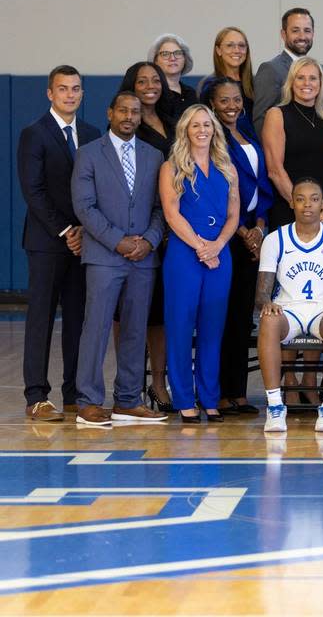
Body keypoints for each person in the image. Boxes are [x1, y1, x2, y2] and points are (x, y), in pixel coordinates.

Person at [71, 92, 167, 426]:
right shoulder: (88, 155)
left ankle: (127, 400)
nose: (129, 116)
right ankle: (88, 401)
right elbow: (84, 207)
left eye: (135, 112)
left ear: (142, 117)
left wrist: (150, 241)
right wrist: (118, 242)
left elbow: (160, 208)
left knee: (135, 330)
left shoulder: (154, 156)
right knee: (95, 328)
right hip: (104, 256)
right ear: (110, 112)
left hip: (143, 258)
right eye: (123, 110)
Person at [18, 66, 100, 421]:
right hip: (48, 242)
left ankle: (74, 394)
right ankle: (36, 396)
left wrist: (85, 231)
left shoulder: (93, 133)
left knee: (78, 320)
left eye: (76, 89)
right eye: (63, 89)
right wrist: (67, 230)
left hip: (85, 242)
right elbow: (33, 191)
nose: (70, 94)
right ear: (50, 93)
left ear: (82, 93)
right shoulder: (33, 134)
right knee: (41, 318)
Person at [159, 105, 240, 423]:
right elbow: (171, 213)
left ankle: (209, 398)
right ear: (185, 130)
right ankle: (183, 399)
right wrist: (199, 246)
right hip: (184, 255)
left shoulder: (227, 167)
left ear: (214, 129)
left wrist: (217, 245)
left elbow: (234, 215)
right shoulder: (172, 166)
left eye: (207, 124)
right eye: (195, 125)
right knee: (180, 327)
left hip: (220, 255)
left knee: (212, 329)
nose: (202, 129)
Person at [256, 178, 323, 432]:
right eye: (300, 199)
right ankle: (275, 406)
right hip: (287, 310)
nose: (307, 205)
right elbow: (261, 295)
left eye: (314, 199)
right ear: (291, 203)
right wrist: (267, 303)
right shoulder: (275, 239)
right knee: (267, 319)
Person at [208, 77, 273, 416]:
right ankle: (218, 394)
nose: (231, 105)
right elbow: (217, 192)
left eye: (236, 99)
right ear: (212, 104)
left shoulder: (246, 133)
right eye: (224, 100)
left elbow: (261, 184)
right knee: (222, 317)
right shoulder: (211, 138)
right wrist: (243, 232)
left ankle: (238, 393)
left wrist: (260, 227)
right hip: (227, 237)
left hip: (252, 237)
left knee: (241, 319)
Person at [120, 62, 174, 412]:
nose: (150, 86)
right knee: (132, 311)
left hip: (172, 226)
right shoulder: (128, 128)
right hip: (139, 229)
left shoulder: (171, 120)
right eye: (142, 81)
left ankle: (159, 383)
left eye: (156, 80)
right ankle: (127, 387)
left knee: (161, 314)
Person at [262, 56, 323, 230]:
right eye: (300, 77)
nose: (307, 83)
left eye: (313, 78)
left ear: (320, 84)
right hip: (289, 209)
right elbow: (275, 170)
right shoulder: (276, 115)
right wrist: (303, 207)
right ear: (291, 82)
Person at [253, 8, 316, 130]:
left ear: (313, 34)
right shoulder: (270, 70)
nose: (302, 36)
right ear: (283, 34)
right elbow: (260, 120)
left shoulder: (321, 71)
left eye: (307, 30)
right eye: (295, 30)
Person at [198, 26, 255, 116]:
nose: (237, 50)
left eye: (241, 45)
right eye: (230, 45)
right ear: (219, 50)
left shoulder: (255, 83)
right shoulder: (210, 85)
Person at [147, 33, 198, 123]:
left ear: (185, 59)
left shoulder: (191, 93)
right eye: (165, 54)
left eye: (178, 53)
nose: (172, 58)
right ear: (155, 60)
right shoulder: (151, 93)